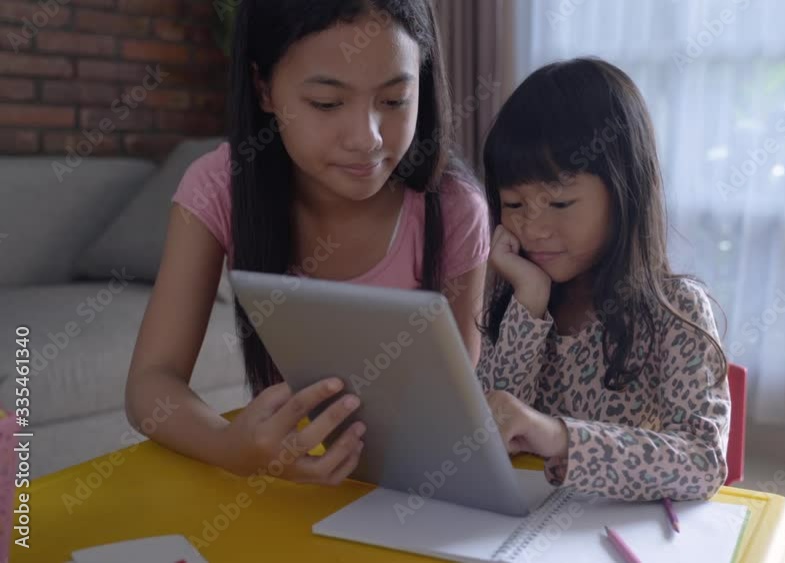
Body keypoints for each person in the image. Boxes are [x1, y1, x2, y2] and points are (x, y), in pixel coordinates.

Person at [125, 0, 488, 487]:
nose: (367, 138)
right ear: (263, 88)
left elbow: (452, 404)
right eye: (327, 103)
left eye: (395, 100)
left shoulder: (453, 209)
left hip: (419, 491)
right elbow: (151, 384)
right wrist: (228, 446)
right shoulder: (220, 186)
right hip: (286, 494)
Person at [477, 57, 731, 502]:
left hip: (622, 535)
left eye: (559, 204)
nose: (533, 228)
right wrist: (529, 301)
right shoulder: (519, 299)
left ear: (624, 193)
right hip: (525, 529)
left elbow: (703, 462)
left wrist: (560, 437)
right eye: (514, 205)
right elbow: (495, 429)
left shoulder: (675, 310)